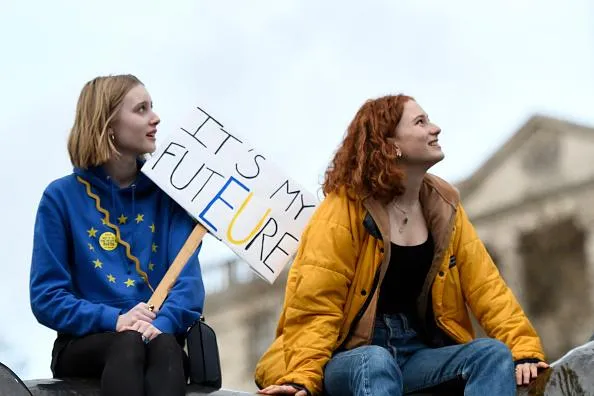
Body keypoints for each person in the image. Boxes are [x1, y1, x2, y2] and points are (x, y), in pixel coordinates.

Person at [255, 94, 548, 396]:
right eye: (421, 122)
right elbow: (315, 305)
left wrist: (523, 348)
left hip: (415, 353)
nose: (435, 129)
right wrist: (302, 377)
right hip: (349, 357)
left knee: (491, 354)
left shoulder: (445, 206)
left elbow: (487, 287)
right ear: (390, 144)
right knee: (375, 361)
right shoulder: (342, 209)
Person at [29, 74, 205, 396]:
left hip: (158, 339)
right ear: (109, 124)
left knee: (166, 349)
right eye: (141, 109)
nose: (156, 118)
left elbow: (189, 287)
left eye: (152, 107)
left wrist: (158, 325)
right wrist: (115, 319)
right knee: (129, 346)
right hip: (87, 341)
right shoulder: (60, 198)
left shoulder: (172, 197)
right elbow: (46, 297)